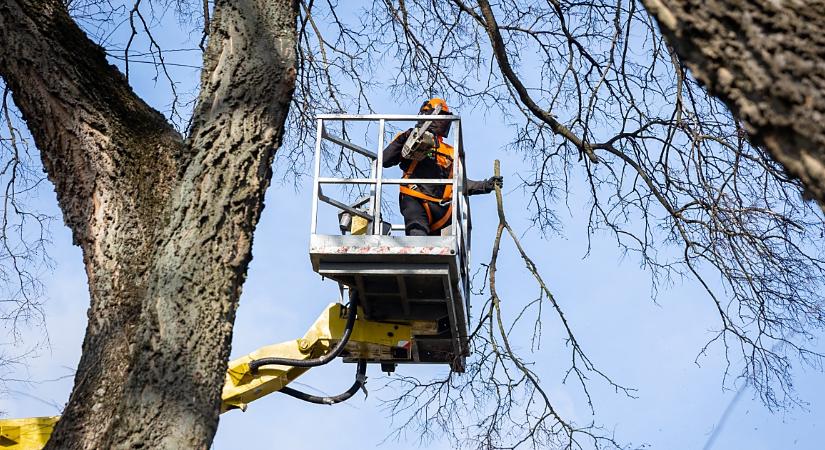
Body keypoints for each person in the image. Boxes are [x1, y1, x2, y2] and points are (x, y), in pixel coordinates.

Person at [383, 98, 503, 236]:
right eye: (439, 116)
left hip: (439, 208)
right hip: (414, 198)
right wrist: (405, 138)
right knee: (418, 238)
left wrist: (486, 185)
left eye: (444, 118)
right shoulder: (409, 138)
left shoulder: (451, 151)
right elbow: (385, 160)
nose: (441, 122)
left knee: (432, 251)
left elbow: (460, 183)